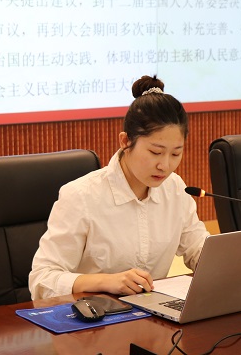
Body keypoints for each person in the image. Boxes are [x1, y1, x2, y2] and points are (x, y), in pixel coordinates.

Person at [29, 75, 210, 300]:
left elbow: (199, 249)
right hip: (96, 315)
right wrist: (106, 281)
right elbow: (42, 279)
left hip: (154, 312)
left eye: (175, 154)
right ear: (125, 141)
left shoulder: (174, 189)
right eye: (155, 152)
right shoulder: (81, 196)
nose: (165, 165)